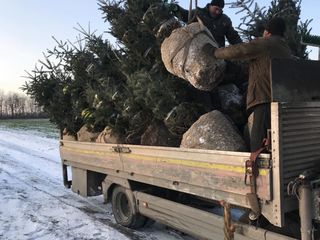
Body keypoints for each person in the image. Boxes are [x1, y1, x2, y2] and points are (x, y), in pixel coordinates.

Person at [212, 17, 292, 152]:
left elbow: (241, 50)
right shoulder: (285, 48)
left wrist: (214, 52)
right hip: (278, 102)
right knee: (270, 142)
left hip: (263, 101)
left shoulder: (266, 44)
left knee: (258, 146)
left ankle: (259, 172)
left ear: (267, 32)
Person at [168, 0, 242, 47]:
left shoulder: (225, 20)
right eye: (216, 9)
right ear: (210, 6)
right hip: (198, 50)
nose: (217, 12)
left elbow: (233, 37)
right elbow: (186, 15)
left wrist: (242, 47)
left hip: (218, 53)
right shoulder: (198, 13)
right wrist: (176, 9)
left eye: (220, 10)